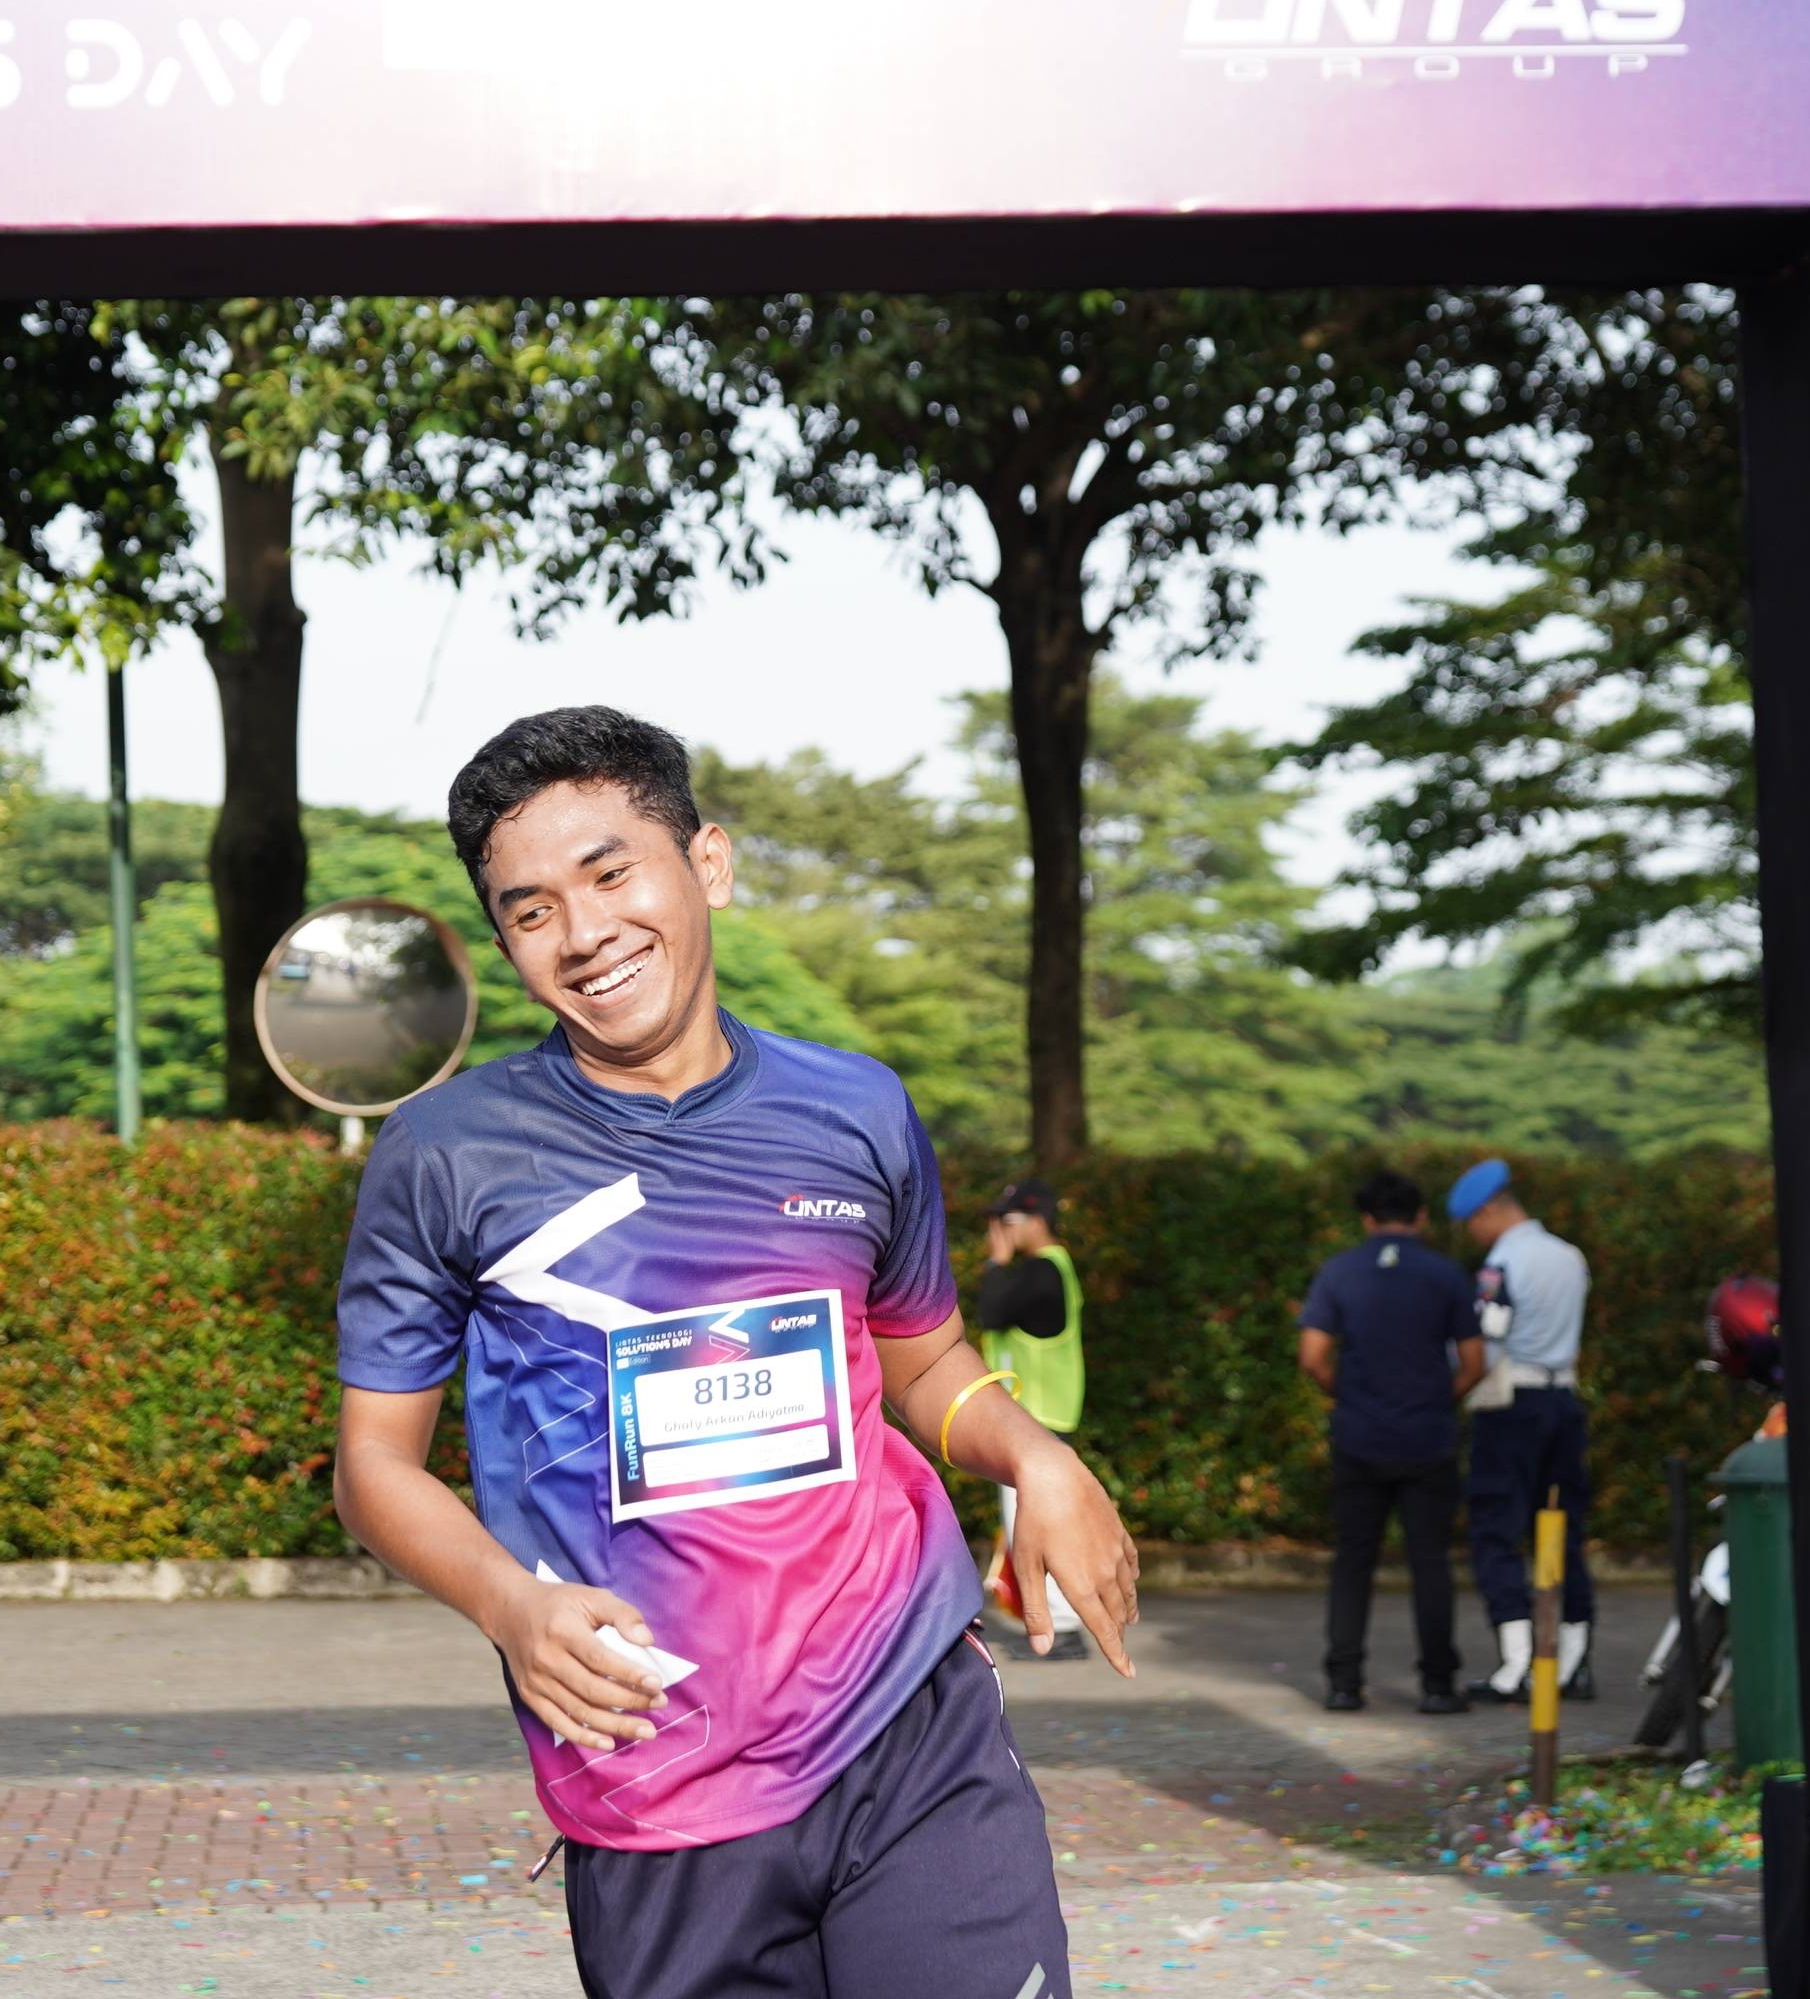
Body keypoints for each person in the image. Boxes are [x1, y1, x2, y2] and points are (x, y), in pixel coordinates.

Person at [331, 706, 1143, 1999]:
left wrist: (1036, 1457)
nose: (584, 932)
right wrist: (509, 1605)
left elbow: (923, 1361)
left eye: (611, 873)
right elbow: (374, 1465)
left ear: (706, 863)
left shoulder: (856, 1108)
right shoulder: (448, 1154)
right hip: (653, 1769)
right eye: (532, 910)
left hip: (908, 1716)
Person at [1294, 1167, 1484, 1714]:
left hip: (1360, 1435)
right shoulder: (1446, 1274)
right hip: (1427, 1437)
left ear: (1367, 1219)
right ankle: (1438, 1685)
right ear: (1421, 1217)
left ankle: (1344, 1682)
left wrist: (1348, 1394)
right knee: (1430, 1562)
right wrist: (1438, 1399)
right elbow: (1474, 1362)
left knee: (1353, 1561)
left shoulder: (1339, 1271)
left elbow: (1312, 1357)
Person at [1451, 1157, 1596, 1705]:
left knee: (1496, 1527)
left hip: (1513, 1403)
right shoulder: (1569, 1256)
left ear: (1489, 1211)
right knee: (1562, 1527)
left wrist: (1451, 1385)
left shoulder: (1501, 1265)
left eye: (1471, 1222)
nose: (1472, 1234)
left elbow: (1487, 1343)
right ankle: (1573, 1661)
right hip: (1564, 1399)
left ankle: (1515, 1664)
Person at [972, 1179, 1089, 1660]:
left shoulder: (1042, 1272)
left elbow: (992, 1311)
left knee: (1035, 1526)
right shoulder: (1052, 1268)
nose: (1000, 1232)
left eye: (1008, 1221)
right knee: (1040, 1521)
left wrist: (996, 1263)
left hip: (1034, 1420)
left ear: (1036, 1221)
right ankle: (1059, 1626)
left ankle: (1060, 1628)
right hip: (1038, 1418)